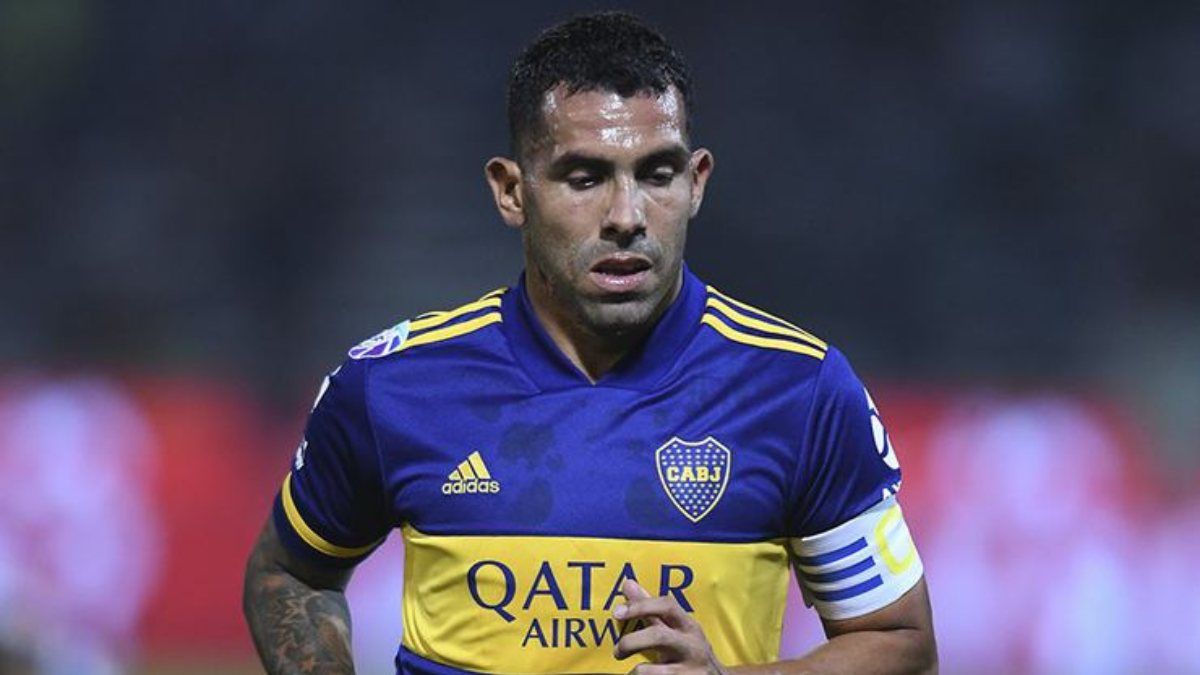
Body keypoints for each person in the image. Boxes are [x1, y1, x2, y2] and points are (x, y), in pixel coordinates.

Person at [243, 11, 935, 675]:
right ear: (512, 191)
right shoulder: (395, 385)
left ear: (696, 182)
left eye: (656, 174)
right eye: (585, 178)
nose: (627, 216)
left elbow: (900, 642)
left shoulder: (798, 391)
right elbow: (290, 573)